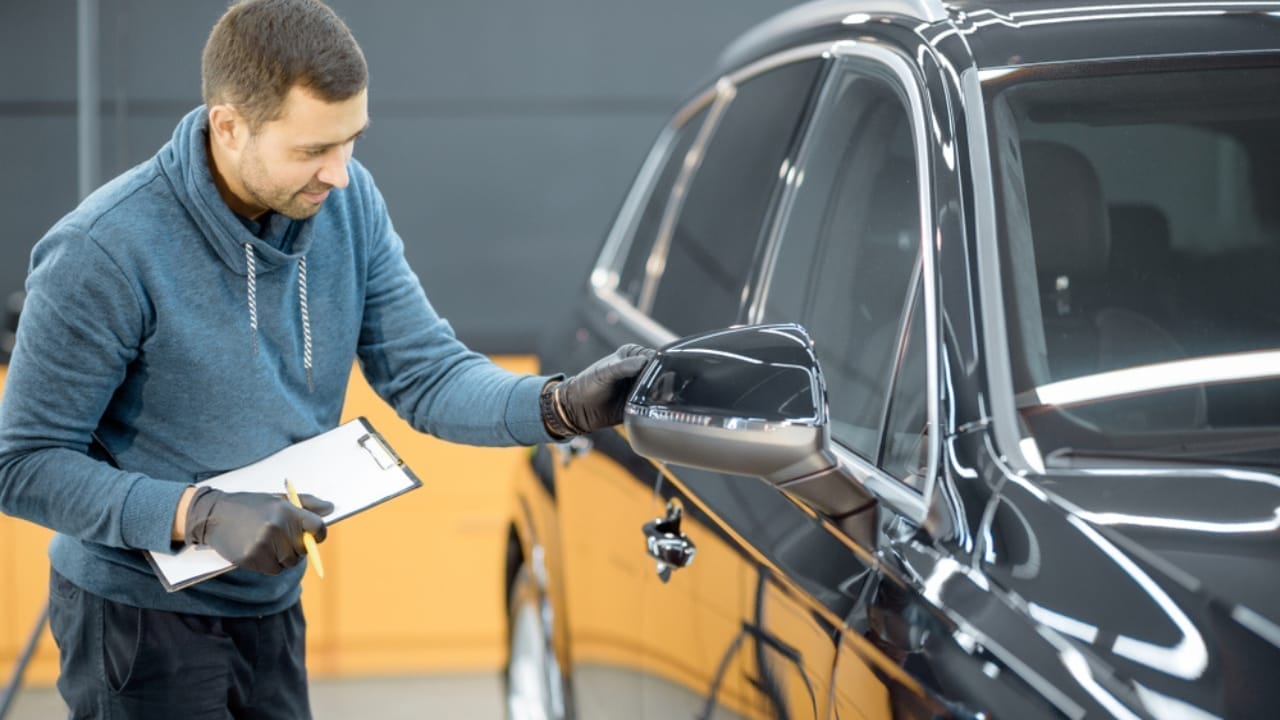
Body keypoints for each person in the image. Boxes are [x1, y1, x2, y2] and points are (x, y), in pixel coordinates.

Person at [0, 0, 652, 717]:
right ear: (228, 126)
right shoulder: (103, 250)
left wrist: (557, 406)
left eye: (351, 142)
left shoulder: (346, 204)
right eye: (312, 151)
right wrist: (198, 513)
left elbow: (425, 372)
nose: (339, 175)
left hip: (273, 597)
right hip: (136, 623)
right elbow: (24, 464)